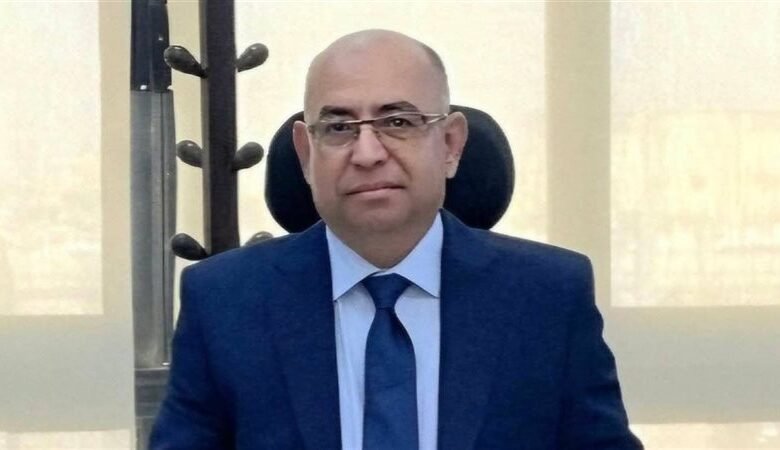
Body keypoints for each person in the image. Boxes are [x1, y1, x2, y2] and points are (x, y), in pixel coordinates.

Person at [150, 29, 642, 450]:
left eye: (398, 122)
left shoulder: (548, 296)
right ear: (305, 155)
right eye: (338, 127)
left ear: (450, 144)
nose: (367, 153)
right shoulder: (224, 302)